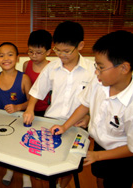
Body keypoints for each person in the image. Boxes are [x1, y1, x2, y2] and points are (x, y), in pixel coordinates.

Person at [51, 30, 133, 188]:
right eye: (96, 66)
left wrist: (98, 155)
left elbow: (131, 148)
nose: (96, 72)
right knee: (100, 179)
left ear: (123, 68)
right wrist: (64, 126)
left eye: (101, 67)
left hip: (122, 155)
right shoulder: (99, 82)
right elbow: (84, 105)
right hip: (100, 143)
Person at [23, 21, 95, 188]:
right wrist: (30, 108)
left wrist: (89, 116)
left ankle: (60, 185)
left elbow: (99, 100)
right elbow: (36, 91)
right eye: (57, 50)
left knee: (69, 164)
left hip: (77, 125)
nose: (61, 55)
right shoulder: (52, 67)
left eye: (66, 51)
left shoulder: (92, 69)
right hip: (52, 121)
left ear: (81, 46)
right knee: (48, 157)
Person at [0, 42, 31, 187]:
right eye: (1, 55)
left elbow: (31, 101)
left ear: (18, 58)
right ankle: (10, 170)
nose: (5, 58)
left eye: (10, 54)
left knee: (23, 148)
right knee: (7, 147)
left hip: (20, 121)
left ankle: (26, 176)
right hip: (2, 122)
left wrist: (18, 107)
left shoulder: (24, 78)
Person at [23, 29, 52, 117]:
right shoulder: (26, 65)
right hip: (28, 107)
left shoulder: (52, 68)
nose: (34, 55)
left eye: (38, 52)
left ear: (48, 52)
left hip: (46, 110)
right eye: (31, 51)